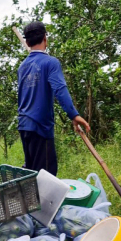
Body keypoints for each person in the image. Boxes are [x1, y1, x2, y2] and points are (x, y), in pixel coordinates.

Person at [17, 21, 90, 176]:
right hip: (40, 127)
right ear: (45, 38)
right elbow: (60, 89)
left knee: (33, 174)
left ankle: (32, 200)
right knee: (46, 176)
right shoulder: (51, 63)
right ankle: (41, 201)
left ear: (28, 42)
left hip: (24, 126)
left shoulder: (22, 66)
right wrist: (74, 115)